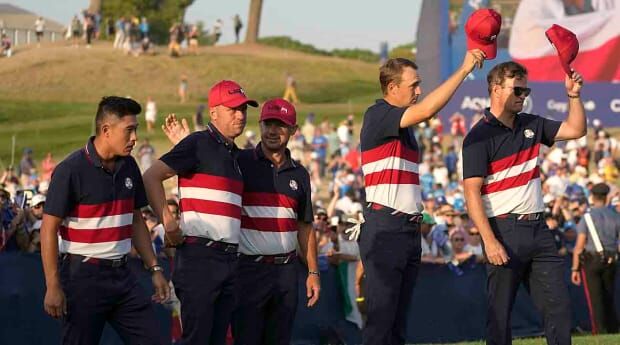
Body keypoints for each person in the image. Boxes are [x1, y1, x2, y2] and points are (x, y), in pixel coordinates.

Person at [162, 98, 322, 345]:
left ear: (294, 130)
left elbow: (305, 226)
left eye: (280, 125)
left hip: (287, 272)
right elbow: (208, 158)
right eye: (268, 123)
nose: (272, 131)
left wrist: (312, 271)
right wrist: (185, 143)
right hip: (248, 271)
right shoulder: (239, 161)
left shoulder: (300, 175)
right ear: (260, 125)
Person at [358, 49, 484, 345]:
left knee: (399, 322)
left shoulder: (405, 130)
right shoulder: (378, 114)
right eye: (413, 85)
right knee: (381, 322)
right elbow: (428, 109)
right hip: (385, 226)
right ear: (392, 88)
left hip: (407, 229)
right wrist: (464, 69)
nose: (419, 90)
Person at [462, 61, 586, 345]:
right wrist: (489, 241)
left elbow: (575, 129)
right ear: (495, 89)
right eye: (517, 89)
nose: (523, 95)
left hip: (539, 229)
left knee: (559, 308)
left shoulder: (532, 123)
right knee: (500, 316)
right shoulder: (478, 136)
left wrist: (574, 96)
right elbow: (471, 193)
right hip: (503, 230)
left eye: (525, 89)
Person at [40, 96, 170, 344]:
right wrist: (53, 285)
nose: (135, 138)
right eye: (129, 130)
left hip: (123, 275)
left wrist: (154, 268)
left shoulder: (130, 166)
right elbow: (48, 229)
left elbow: (135, 220)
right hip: (82, 278)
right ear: (106, 130)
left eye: (136, 129)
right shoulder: (70, 170)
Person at [143, 80, 258, 345]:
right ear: (214, 112)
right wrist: (169, 222)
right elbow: (151, 176)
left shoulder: (236, 155)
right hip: (201, 258)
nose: (241, 115)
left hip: (229, 259)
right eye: (233, 109)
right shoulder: (197, 142)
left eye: (243, 109)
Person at [571, 182, 620, 334]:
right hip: (611, 259)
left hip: (592, 260)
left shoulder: (587, 218)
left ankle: (598, 330)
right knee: (609, 294)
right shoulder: (616, 216)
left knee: (595, 299)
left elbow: (579, 246)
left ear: (592, 197)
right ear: (606, 198)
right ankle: (612, 328)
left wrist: (575, 269)